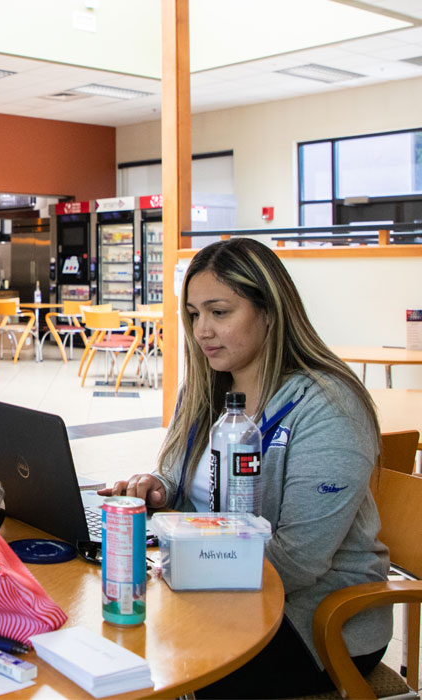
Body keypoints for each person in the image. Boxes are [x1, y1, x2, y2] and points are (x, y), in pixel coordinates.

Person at [98, 238, 390, 698]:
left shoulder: (329, 406)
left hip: (312, 617)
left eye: (219, 312)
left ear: (270, 311)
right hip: (212, 590)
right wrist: (158, 487)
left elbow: (298, 559)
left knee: (154, 665)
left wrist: (181, 572)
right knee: (112, 640)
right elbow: (179, 484)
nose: (201, 331)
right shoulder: (204, 391)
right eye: (194, 315)